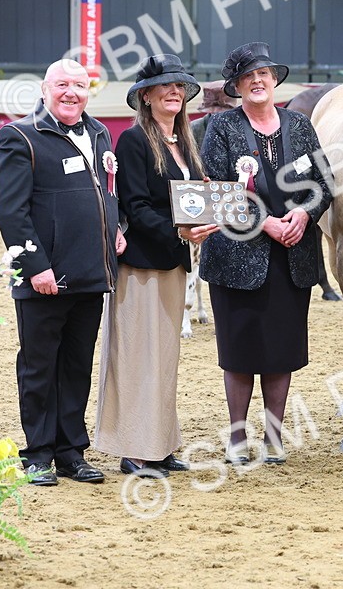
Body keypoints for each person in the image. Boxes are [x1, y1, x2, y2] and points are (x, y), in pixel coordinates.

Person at [199, 42, 333, 465]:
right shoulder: (220, 127)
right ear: (237, 87)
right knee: (239, 351)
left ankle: (274, 438)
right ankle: (237, 438)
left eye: (264, 74)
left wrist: (305, 217)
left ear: (275, 80)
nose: (258, 81)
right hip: (236, 259)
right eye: (248, 77)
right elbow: (215, 193)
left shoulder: (300, 126)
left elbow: (325, 184)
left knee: (281, 350)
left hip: (293, 258)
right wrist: (266, 223)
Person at [0, 59, 124, 486]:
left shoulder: (101, 133)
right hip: (44, 279)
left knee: (76, 366)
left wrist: (115, 229)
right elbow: (11, 212)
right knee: (38, 367)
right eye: (63, 84)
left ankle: (71, 452)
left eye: (80, 86)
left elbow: (106, 191)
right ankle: (37, 454)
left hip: (90, 273)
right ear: (45, 89)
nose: (72, 92)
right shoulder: (20, 137)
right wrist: (36, 267)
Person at [93, 54, 211, 478]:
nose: (175, 91)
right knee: (137, 357)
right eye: (166, 86)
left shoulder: (186, 143)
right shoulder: (133, 140)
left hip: (174, 264)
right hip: (141, 265)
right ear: (146, 95)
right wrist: (180, 232)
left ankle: (158, 445)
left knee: (164, 357)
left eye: (180, 85)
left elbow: (195, 197)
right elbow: (136, 207)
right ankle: (132, 448)